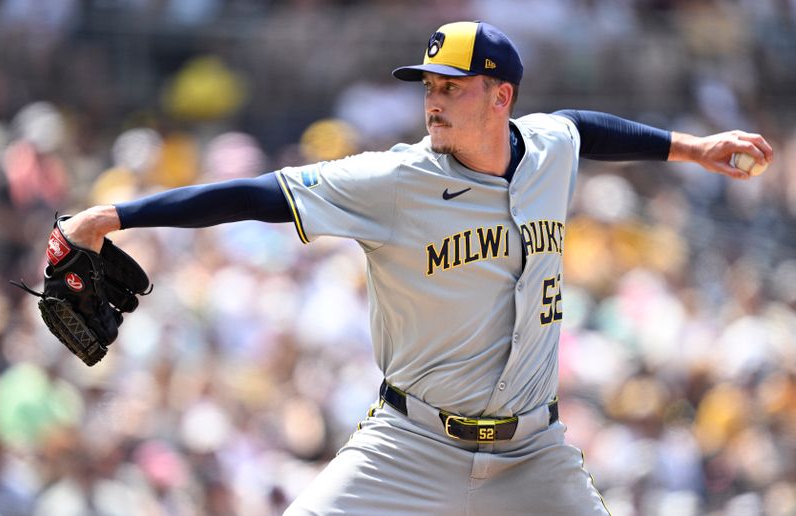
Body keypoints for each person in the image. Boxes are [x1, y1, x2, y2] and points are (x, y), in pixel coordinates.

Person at [58, 21, 773, 516]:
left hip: (533, 452)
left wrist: (692, 147)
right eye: (428, 84)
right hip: (412, 442)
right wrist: (112, 218)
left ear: (502, 97)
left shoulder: (548, 147)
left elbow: (586, 126)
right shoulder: (395, 181)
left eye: (452, 85)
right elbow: (258, 194)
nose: (432, 97)